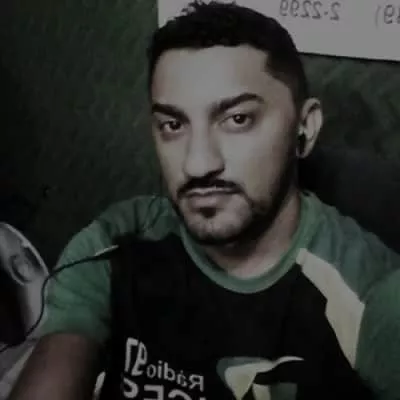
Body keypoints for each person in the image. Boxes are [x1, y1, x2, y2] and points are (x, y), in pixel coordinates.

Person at [8, 2, 400, 399]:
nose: (197, 163)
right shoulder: (117, 243)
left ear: (305, 127)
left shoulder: (368, 292)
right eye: (173, 125)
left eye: (238, 119)